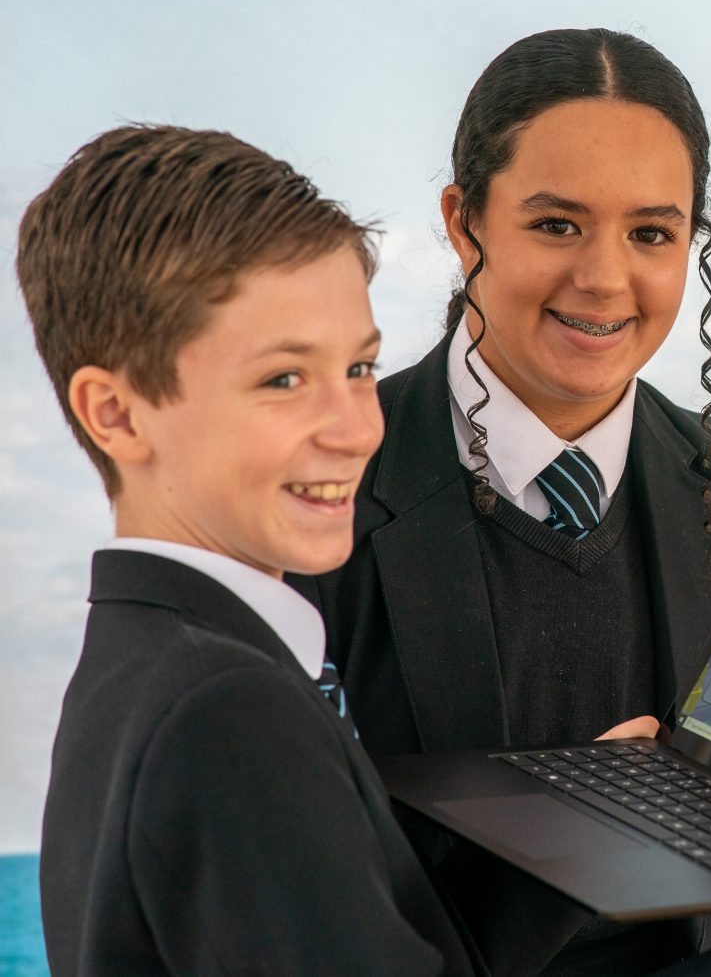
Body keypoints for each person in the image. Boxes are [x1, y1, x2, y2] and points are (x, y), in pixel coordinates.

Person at [294, 28, 711, 976]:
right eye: (556, 224)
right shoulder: (328, 483)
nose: (604, 278)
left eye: (652, 233)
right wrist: (575, 841)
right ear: (464, 223)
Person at [22, 125, 477, 974]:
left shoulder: (135, 668)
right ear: (116, 414)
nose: (356, 430)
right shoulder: (228, 710)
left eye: (360, 369)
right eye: (283, 378)